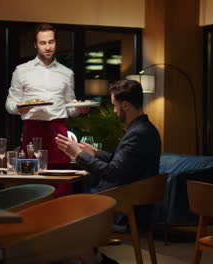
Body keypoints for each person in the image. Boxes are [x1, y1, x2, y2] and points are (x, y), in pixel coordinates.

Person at [55, 79, 161, 264]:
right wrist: (95, 153)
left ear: (126, 105)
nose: (113, 111)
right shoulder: (145, 129)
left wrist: (78, 154)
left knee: (65, 220)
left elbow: (112, 172)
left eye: (115, 106)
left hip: (125, 213)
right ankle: (96, 258)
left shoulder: (137, 134)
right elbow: (122, 163)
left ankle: (97, 260)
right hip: (134, 207)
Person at [5, 23, 89, 196]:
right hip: (32, 131)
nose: (48, 47)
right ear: (35, 45)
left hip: (58, 132)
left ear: (56, 42)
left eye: (51, 42)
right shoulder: (21, 71)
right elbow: (10, 104)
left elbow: (69, 108)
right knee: (32, 188)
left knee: (62, 188)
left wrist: (79, 109)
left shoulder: (67, 73)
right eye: (43, 43)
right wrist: (20, 108)